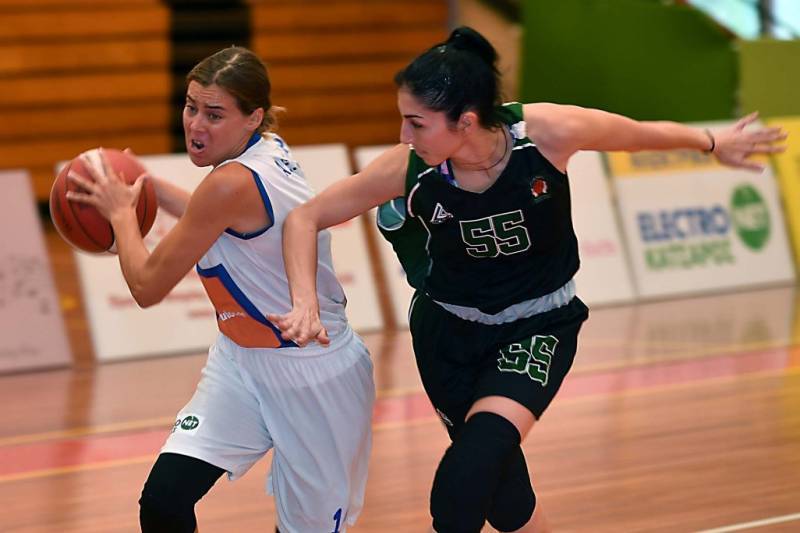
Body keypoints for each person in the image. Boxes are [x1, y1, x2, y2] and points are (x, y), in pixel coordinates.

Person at [268, 26, 787, 533]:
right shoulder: (405, 169)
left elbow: (632, 133)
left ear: (466, 121)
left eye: (416, 123)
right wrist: (304, 302)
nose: (404, 136)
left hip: (537, 326)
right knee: (505, 501)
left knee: (467, 478)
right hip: (447, 333)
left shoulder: (544, 134)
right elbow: (304, 218)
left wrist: (711, 141)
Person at [66, 46, 375, 533]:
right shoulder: (266, 150)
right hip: (240, 365)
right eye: (191, 107)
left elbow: (146, 285)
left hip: (311, 372)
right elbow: (217, 216)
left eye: (214, 114)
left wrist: (123, 215)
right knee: (164, 501)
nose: (196, 125)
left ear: (253, 117)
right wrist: (146, 185)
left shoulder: (231, 183)